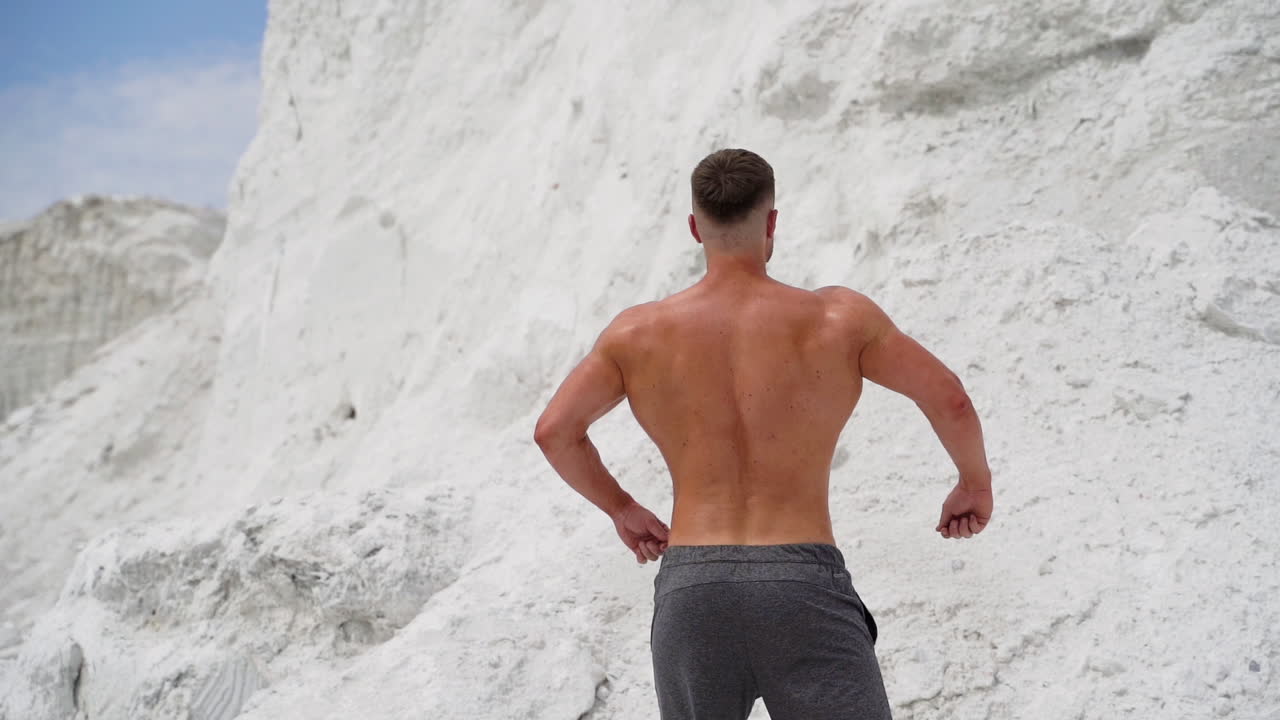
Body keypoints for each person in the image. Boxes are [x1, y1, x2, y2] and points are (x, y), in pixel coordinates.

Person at [533, 148, 993, 720]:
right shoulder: (838, 321)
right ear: (772, 221)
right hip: (802, 585)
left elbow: (555, 431)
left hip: (693, 591)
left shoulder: (637, 334)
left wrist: (622, 508)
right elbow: (948, 396)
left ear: (695, 228)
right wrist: (973, 482)